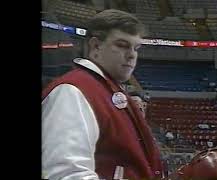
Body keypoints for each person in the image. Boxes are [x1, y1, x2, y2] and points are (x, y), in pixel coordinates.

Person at [42, 9, 163, 180]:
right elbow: (66, 174)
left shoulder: (106, 90)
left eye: (136, 48)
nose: (132, 55)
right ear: (96, 46)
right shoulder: (73, 92)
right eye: (122, 45)